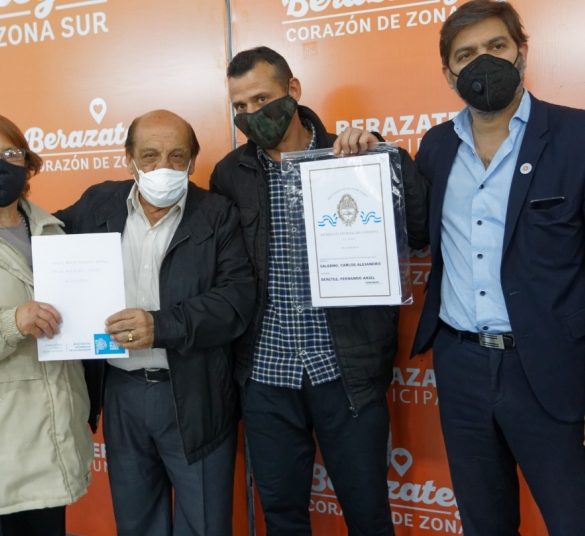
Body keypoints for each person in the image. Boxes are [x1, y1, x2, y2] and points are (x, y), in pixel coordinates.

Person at [210, 46, 427, 535]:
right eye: (240, 105)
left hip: (345, 370)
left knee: (368, 514)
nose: (251, 113)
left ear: (293, 90)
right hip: (266, 374)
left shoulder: (352, 156)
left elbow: (419, 231)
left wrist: (386, 159)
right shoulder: (229, 175)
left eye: (262, 98)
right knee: (283, 517)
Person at [409, 2, 585, 535]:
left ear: (521, 53)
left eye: (496, 46)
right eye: (466, 55)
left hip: (550, 366)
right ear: (448, 73)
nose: (483, 62)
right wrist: (368, 160)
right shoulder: (436, 146)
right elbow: (413, 231)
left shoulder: (576, 136)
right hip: (461, 366)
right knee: (484, 521)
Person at [55, 109, 255, 536]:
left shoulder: (217, 213)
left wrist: (161, 326)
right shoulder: (97, 204)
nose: (163, 166)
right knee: (137, 523)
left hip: (196, 393)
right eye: (149, 155)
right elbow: (41, 237)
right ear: (128, 158)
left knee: (204, 524)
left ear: (192, 162)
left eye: (176, 155)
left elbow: (236, 301)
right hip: (122, 393)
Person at [0, 115, 93, 536]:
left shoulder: (53, 229)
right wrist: (12, 323)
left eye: (10, 153)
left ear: (28, 162)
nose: (2, 164)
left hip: (53, 443)